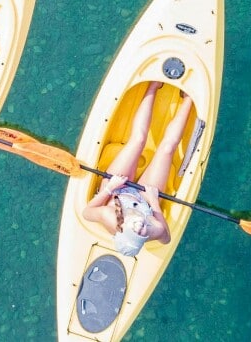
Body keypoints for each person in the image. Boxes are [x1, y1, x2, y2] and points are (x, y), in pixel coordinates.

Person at [81, 81, 195, 258]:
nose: (141, 227)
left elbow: (87, 212)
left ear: (122, 227)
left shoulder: (109, 217)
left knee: (138, 139)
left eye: (135, 229)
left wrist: (110, 187)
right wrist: (154, 202)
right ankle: (189, 99)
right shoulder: (150, 230)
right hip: (144, 198)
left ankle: (153, 87)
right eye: (142, 233)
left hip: (116, 190)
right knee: (167, 149)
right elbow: (166, 238)